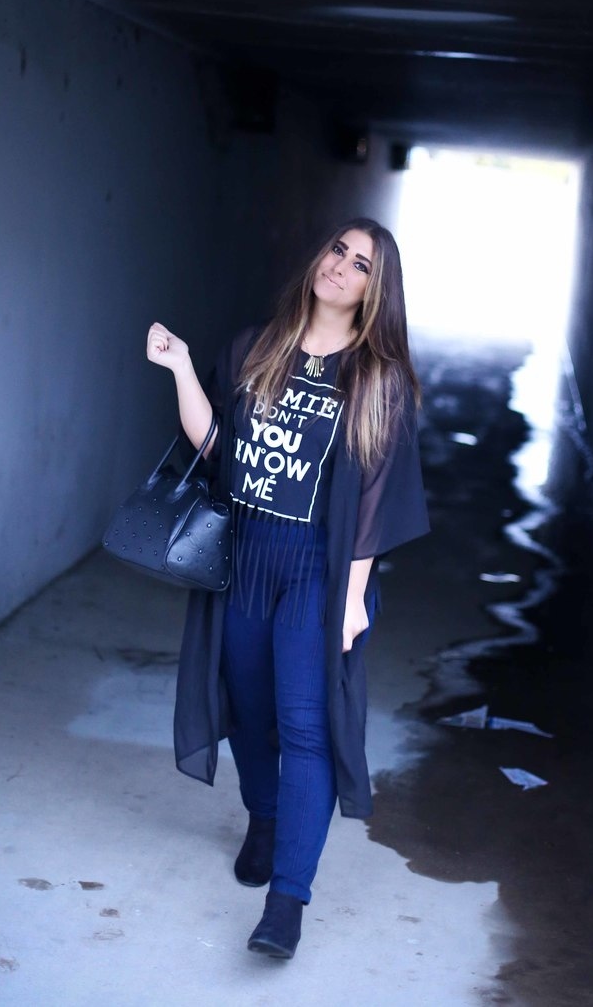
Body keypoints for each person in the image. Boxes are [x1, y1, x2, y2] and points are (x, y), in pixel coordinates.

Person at [146, 217, 429, 959]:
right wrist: (181, 367)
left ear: (376, 291)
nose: (341, 266)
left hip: (316, 571)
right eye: (338, 250)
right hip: (246, 559)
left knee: (306, 727)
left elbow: (377, 496)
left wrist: (353, 597)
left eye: (361, 264)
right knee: (246, 707)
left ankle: (287, 902)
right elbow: (219, 449)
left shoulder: (376, 378)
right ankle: (264, 818)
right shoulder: (256, 347)